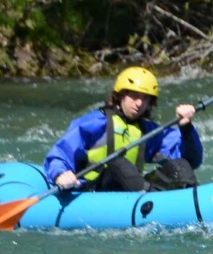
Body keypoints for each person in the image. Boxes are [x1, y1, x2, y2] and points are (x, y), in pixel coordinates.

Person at [44, 66, 202, 192]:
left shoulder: (148, 130)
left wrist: (186, 128)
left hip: (134, 190)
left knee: (180, 165)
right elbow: (60, 153)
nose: (139, 104)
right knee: (117, 162)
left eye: (145, 98)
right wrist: (60, 174)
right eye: (134, 96)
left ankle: (192, 200)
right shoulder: (95, 122)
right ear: (121, 96)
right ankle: (149, 198)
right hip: (94, 189)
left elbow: (191, 160)